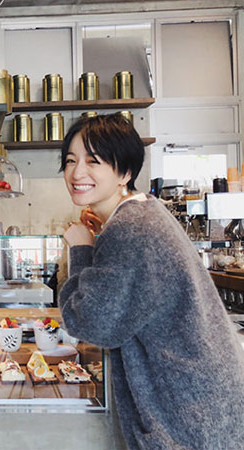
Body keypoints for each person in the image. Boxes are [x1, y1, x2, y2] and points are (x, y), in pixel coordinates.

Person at [59, 114, 244, 450]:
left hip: (186, 411)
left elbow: (91, 323)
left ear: (125, 172)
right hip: (198, 397)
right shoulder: (141, 213)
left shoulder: (130, 227)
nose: (77, 172)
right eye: (71, 161)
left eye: (93, 161)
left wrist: (81, 249)